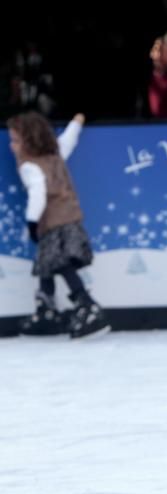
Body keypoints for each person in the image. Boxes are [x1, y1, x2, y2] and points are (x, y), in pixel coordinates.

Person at [8, 111, 110, 339]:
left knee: (60, 264)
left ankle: (88, 306)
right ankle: (46, 311)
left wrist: (32, 222)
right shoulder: (56, 153)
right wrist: (77, 122)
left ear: (30, 142)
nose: (11, 146)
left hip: (52, 223)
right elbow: (68, 139)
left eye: (15, 141)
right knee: (47, 265)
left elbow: (38, 194)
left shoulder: (29, 166)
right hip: (70, 219)